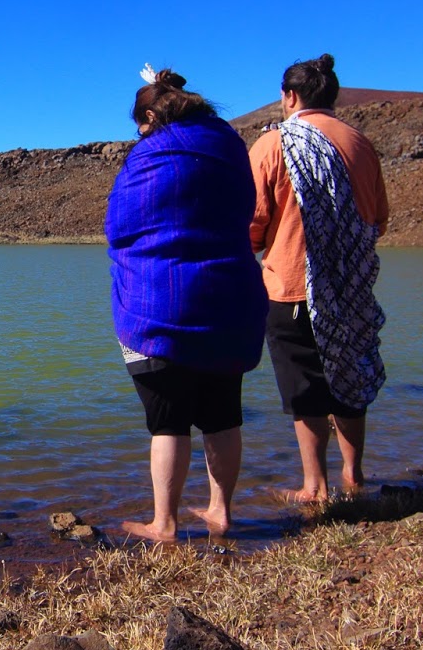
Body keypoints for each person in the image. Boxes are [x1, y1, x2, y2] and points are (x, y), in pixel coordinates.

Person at [106, 66, 268, 543]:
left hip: (158, 304)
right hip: (228, 296)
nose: (139, 133)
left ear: (152, 115)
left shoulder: (148, 153)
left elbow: (120, 225)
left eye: (140, 123)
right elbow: (244, 207)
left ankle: (165, 523)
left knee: (168, 420)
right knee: (223, 412)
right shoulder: (228, 143)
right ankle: (221, 512)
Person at [248, 54, 389, 503]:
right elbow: (377, 219)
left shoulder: (273, 145)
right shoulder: (360, 144)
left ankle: (314, 486)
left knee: (305, 387)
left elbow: (250, 224)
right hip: (350, 288)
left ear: (290, 96)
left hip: (291, 287)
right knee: (348, 377)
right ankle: (354, 475)